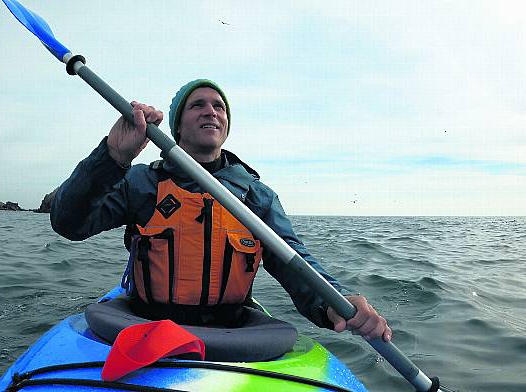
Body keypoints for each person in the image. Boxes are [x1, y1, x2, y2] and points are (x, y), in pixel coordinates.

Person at [51, 79, 391, 341]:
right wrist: (113, 156)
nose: (211, 111)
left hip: (229, 336)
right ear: (178, 127)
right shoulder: (141, 182)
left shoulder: (256, 196)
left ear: (225, 126)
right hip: (145, 327)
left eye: (219, 107)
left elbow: (295, 263)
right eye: (197, 105)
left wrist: (334, 301)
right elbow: (68, 222)